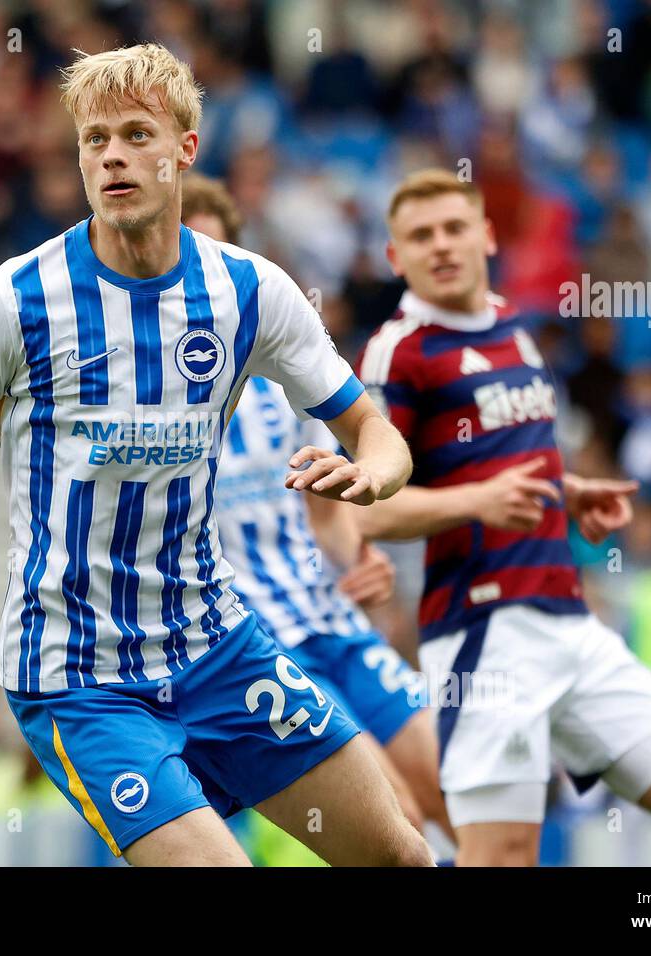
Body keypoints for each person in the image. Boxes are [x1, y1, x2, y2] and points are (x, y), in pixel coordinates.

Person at [0, 44, 430, 867]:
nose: (112, 156)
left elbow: (377, 433)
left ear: (185, 150)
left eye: (134, 134)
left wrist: (377, 473)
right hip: (77, 674)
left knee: (402, 857)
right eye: (94, 140)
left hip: (217, 644)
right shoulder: (9, 302)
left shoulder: (250, 291)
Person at [354, 168, 651, 867]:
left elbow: (500, 462)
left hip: (572, 622)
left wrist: (564, 493)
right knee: (504, 856)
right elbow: (368, 512)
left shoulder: (516, 326)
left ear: (486, 235)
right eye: (420, 236)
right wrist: (477, 503)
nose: (441, 246)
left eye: (455, 228)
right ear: (395, 257)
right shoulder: (401, 351)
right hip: (484, 636)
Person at [182, 174, 453, 845]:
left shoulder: (283, 383)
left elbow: (324, 510)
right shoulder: (151, 403)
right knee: (398, 821)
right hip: (258, 645)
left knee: (454, 792)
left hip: (329, 618)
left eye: (217, 258)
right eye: (187, 258)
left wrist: (358, 559)